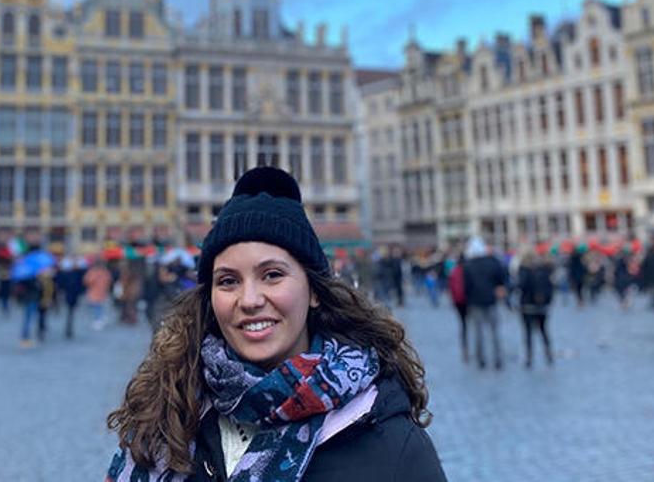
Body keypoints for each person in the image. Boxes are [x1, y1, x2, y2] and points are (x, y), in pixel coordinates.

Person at [105, 167, 446, 482]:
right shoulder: (166, 413)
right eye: (227, 281)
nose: (249, 299)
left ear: (313, 291)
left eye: (272, 275)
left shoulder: (392, 445)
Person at [463, 236, 507, 370]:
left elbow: (467, 286)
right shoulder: (492, 262)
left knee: (478, 332)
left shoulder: (468, 265)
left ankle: (481, 360)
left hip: (475, 302)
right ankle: (498, 359)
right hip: (491, 300)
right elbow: (501, 279)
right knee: (494, 332)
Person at [517, 250, 555, 368]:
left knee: (528, 333)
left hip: (527, 306)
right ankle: (548, 354)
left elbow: (521, 286)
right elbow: (550, 288)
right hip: (541, 307)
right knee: (543, 331)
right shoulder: (544, 271)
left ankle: (529, 357)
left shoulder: (524, 271)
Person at [447, 253, 469, 363]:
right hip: (468, 301)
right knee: (470, 323)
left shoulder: (454, 271)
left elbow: (450, 287)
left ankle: (465, 345)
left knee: (463, 323)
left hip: (458, 302)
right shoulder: (468, 270)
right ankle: (469, 345)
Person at [83, 260, 113, 330]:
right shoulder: (105, 272)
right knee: (98, 306)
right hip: (100, 291)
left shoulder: (93, 272)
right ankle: (101, 318)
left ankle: (98, 320)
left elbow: (87, 280)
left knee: (96, 306)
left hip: (95, 291)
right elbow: (109, 280)